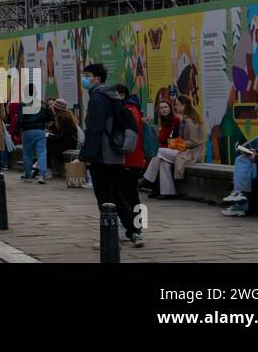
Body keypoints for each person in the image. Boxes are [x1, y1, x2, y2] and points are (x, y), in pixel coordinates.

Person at [79, 63, 138, 245]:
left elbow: (95, 129)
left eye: (87, 75)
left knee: (104, 198)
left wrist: (86, 155)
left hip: (102, 155)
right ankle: (134, 231)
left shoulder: (97, 98)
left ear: (97, 78)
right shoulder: (112, 96)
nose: (85, 78)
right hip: (115, 154)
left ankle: (110, 237)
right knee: (117, 195)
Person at [139, 94, 203, 201]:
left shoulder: (190, 121)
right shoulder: (185, 119)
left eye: (177, 105)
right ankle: (168, 192)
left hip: (190, 154)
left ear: (184, 106)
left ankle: (147, 179)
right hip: (183, 151)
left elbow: (195, 141)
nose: (176, 107)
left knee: (158, 152)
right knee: (163, 161)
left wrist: (177, 143)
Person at [114, 85, 146, 247]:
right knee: (133, 194)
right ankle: (138, 229)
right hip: (136, 159)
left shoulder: (127, 110)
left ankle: (134, 230)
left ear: (121, 95)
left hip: (128, 158)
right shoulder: (134, 109)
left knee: (127, 195)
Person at [18, 93, 55, 183]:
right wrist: (44, 121)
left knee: (27, 153)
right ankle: (41, 175)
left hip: (27, 131)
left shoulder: (24, 104)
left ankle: (28, 175)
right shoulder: (43, 104)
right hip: (40, 130)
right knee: (41, 152)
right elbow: (51, 117)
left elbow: (20, 119)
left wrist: (17, 129)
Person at [46, 98, 78, 166]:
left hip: (69, 143)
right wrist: (52, 127)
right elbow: (60, 133)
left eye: (53, 106)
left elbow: (63, 135)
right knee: (48, 143)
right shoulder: (63, 115)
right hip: (68, 141)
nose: (51, 107)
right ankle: (48, 166)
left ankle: (48, 167)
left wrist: (49, 136)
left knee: (48, 144)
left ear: (57, 108)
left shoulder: (63, 117)